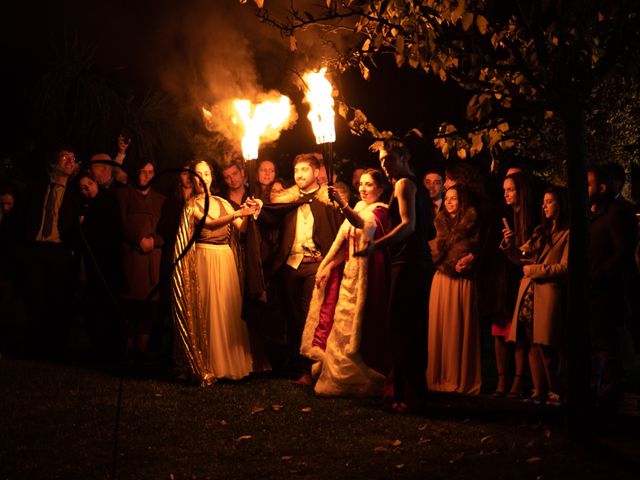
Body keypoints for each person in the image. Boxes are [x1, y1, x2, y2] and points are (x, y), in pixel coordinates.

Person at [355, 139, 434, 412]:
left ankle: (403, 395)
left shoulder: (403, 184)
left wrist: (376, 244)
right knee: (411, 326)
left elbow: (409, 225)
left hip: (409, 261)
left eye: (388, 159)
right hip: (417, 261)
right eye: (381, 160)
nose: (384, 165)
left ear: (404, 156)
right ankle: (411, 393)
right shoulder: (418, 187)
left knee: (401, 326)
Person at [300, 169, 391, 396]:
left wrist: (342, 204)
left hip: (366, 278)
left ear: (380, 189)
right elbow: (345, 245)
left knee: (360, 326)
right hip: (349, 276)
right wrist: (329, 266)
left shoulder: (380, 212)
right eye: (361, 184)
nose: (363, 188)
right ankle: (338, 378)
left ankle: (364, 378)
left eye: (369, 185)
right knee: (341, 323)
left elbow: (361, 224)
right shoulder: (359, 207)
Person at [255, 153, 343, 384]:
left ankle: (311, 368)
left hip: (315, 265)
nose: (299, 174)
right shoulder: (289, 200)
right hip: (291, 266)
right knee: (294, 317)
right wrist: (258, 209)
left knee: (308, 315)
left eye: (305, 170)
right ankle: (298, 365)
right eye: (296, 171)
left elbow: (338, 230)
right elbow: (269, 219)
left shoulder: (327, 200)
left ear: (316, 173)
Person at [172, 160, 258, 384]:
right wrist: (240, 212)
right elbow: (209, 224)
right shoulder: (192, 205)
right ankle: (206, 363)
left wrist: (247, 213)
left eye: (207, 173)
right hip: (204, 257)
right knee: (208, 307)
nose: (203, 178)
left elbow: (242, 228)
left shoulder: (224, 202)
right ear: (193, 179)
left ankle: (228, 363)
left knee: (227, 308)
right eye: (198, 174)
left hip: (224, 257)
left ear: (211, 177)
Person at [503, 186, 570, 406]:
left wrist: (537, 270)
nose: (544, 206)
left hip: (548, 294)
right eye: (544, 201)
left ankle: (556, 390)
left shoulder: (568, 233)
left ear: (561, 203)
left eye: (549, 201)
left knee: (547, 344)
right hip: (530, 295)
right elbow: (523, 260)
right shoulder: (542, 231)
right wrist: (510, 247)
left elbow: (565, 267)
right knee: (531, 342)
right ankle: (539, 389)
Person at [18, 146, 80, 358]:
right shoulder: (37, 189)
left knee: (58, 298)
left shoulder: (75, 193)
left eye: (73, 158)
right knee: (36, 297)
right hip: (35, 248)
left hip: (59, 250)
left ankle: (56, 347)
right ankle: (37, 346)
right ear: (53, 164)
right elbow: (21, 216)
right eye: (65, 157)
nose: (70, 161)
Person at [588, 166, 635, 411]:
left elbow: (622, 252)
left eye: (589, 185)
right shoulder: (595, 215)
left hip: (607, 291)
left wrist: (599, 273)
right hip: (594, 291)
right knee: (597, 343)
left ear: (602, 188)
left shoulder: (616, 214)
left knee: (608, 344)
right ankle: (600, 394)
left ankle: (610, 396)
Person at [427, 185, 481, 395]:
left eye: (454, 198)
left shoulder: (472, 222)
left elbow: (477, 246)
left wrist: (470, 258)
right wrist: (448, 262)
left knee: (458, 324)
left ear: (462, 201)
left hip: (462, 281)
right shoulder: (438, 223)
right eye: (446, 198)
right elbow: (432, 249)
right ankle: (440, 375)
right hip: (442, 278)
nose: (449, 202)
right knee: (441, 326)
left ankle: (459, 376)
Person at [116, 160, 165, 362]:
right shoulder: (123, 195)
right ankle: (126, 353)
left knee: (148, 310)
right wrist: (137, 239)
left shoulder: (162, 200)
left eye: (150, 172)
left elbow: (167, 226)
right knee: (128, 307)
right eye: (142, 171)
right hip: (131, 258)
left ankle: (142, 354)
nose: (145, 176)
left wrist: (154, 240)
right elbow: (119, 221)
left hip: (153, 260)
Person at [496, 172, 537, 398]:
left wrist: (514, 248)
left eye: (510, 189)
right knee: (504, 330)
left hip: (526, 279)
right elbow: (514, 256)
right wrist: (508, 245)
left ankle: (521, 382)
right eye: (504, 190)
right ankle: (507, 381)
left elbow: (527, 258)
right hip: (510, 278)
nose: (506, 194)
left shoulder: (530, 218)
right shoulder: (508, 216)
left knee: (522, 333)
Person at [76, 171, 123, 361]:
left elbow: (110, 230)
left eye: (89, 184)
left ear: (96, 183)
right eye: (82, 187)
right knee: (93, 305)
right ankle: (97, 347)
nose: (87, 188)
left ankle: (112, 349)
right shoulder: (84, 205)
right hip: (91, 261)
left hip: (106, 261)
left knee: (108, 305)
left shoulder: (107, 201)